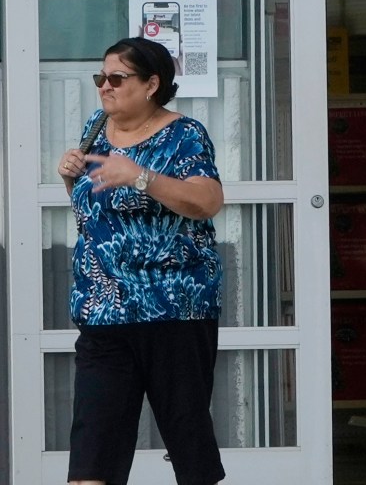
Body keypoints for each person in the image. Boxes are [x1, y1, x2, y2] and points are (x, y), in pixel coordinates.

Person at [55, 36, 227, 485]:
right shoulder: (96, 126)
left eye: (116, 78)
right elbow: (93, 213)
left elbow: (208, 201)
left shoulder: (183, 134)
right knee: (91, 455)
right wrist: (69, 179)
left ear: (152, 84)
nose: (104, 87)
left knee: (189, 445)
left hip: (173, 312)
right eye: (100, 77)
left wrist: (142, 176)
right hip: (103, 313)